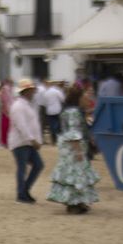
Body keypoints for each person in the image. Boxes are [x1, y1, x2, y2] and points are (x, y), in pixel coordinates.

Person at [46, 85, 98, 214]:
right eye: (85, 96)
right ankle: (74, 203)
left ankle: (78, 202)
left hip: (67, 148)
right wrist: (79, 150)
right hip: (74, 148)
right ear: (79, 97)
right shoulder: (74, 112)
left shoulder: (67, 110)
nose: (87, 98)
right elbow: (74, 132)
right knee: (75, 175)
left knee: (72, 175)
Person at [8, 78, 45, 203]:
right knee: (23, 168)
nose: (33, 93)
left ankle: (24, 190)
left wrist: (36, 140)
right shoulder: (18, 106)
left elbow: (32, 124)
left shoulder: (27, 105)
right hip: (21, 142)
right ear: (25, 92)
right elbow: (21, 125)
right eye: (31, 90)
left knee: (37, 165)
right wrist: (33, 139)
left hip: (28, 142)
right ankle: (21, 194)